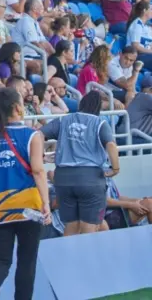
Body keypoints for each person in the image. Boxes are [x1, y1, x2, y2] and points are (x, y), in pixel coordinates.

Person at [0, 88, 50, 300]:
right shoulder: (32, 135)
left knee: (0, 258)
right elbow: (39, 171)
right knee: (27, 260)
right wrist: (47, 204)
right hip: (28, 207)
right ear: (16, 107)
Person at [40, 91, 120, 236]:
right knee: (90, 227)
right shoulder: (99, 123)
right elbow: (111, 145)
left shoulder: (64, 120)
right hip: (90, 178)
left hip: (63, 178)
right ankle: (86, 258)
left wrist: (39, 154)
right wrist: (115, 168)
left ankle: (68, 258)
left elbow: (39, 133)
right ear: (98, 107)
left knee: (71, 225)